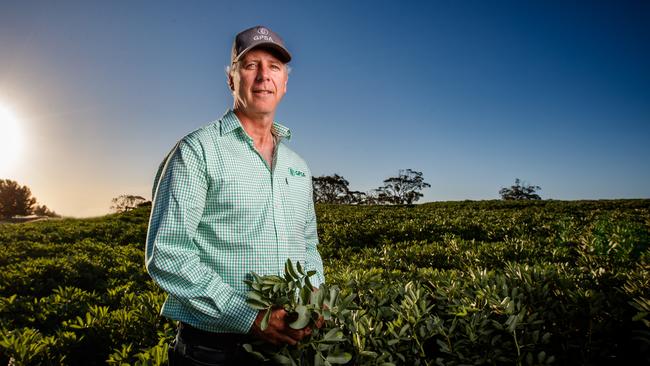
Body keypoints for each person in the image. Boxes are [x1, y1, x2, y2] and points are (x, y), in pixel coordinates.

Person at [145, 25, 325, 365]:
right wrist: (249, 317)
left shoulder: (298, 166)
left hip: (286, 347)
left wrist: (314, 297)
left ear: (285, 82)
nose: (263, 76)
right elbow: (166, 253)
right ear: (231, 79)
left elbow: (308, 245)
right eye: (250, 64)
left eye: (274, 67)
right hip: (213, 351)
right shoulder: (197, 151)